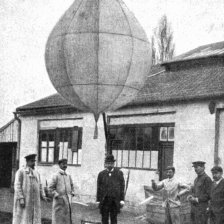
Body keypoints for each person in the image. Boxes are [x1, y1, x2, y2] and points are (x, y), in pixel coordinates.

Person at [12, 154, 48, 224]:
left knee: (34, 217)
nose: (34, 163)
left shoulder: (36, 173)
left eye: (34, 161)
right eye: (32, 161)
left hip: (35, 200)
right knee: (23, 217)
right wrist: (21, 198)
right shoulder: (21, 171)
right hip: (25, 199)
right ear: (27, 161)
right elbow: (17, 185)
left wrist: (43, 196)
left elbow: (40, 185)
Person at [96, 154, 125, 224]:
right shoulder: (101, 174)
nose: (109, 165)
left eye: (111, 163)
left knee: (114, 219)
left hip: (114, 201)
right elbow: (98, 188)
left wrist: (122, 200)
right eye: (108, 163)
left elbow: (122, 187)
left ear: (113, 164)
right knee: (104, 219)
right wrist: (98, 200)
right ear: (105, 164)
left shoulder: (119, 173)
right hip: (104, 200)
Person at [49, 158, 75, 224]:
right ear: (59, 165)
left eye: (66, 164)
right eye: (63, 164)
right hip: (59, 202)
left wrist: (72, 192)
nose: (65, 165)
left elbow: (72, 186)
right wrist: (57, 195)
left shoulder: (68, 175)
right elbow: (50, 188)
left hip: (67, 201)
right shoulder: (56, 175)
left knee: (66, 219)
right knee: (58, 219)